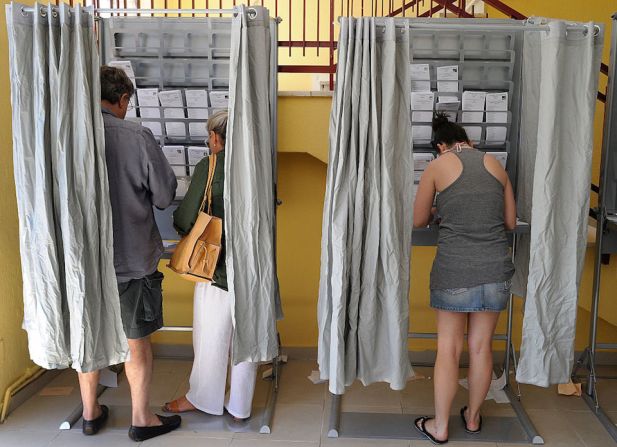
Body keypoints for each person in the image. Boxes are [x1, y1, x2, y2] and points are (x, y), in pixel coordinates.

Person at [412, 113, 516, 444]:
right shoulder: (496, 166)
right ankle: (472, 418)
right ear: (467, 140)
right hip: (495, 268)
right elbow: (511, 222)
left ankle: (439, 426)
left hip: (454, 270)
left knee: (449, 348)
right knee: (482, 347)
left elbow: (418, 220)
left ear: (440, 146)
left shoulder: (436, 167)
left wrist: (436, 212)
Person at [91, 65, 181, 442]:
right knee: (136, 340)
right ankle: (142, 419)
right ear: (123, 98)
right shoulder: (136, 135)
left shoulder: (72, 132)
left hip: (86, 264)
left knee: (88, 336)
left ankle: (90, 413)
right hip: (130, 259)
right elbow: (163, 196)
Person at [162, 110, 259, 421]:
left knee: (211, 336)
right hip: (254, 265)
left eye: (210, 136)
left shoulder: (211, 165)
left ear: (218, 138)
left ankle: (204, 398)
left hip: (216, 267)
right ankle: (240, 405)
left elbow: (187, 216)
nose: (208, 141)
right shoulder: (258, 165)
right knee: (247, 335)